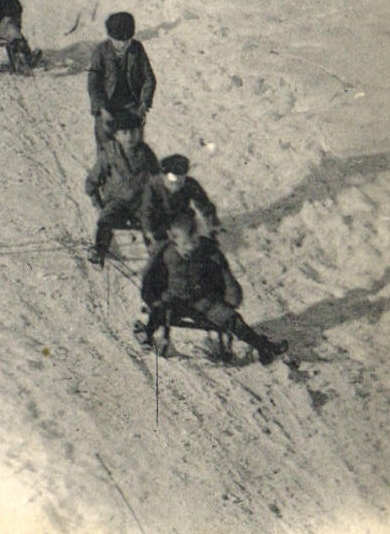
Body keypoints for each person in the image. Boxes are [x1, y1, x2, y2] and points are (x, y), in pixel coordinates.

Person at [138, 208, 288, 364]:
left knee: (232, 318)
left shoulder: (205, 251)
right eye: (185, 244)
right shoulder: (166, 255)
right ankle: (147, 335)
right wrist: (153, 299)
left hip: (201, 300)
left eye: (194, 241)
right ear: (174, 241)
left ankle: (263, 346)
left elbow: (223, 272)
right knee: (159, 311)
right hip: (174, 301)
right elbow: (151, 278)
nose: (191, 247)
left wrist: (231, 295)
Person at [85, 112, 160, 266]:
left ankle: (157, 254)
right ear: (116, 136)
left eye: (133, 131)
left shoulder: (145, 153)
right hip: (117, 200)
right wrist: (98, 203)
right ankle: (100, 249)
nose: (130, 137)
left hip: (140, 200)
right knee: (106, 219)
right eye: (124, 133)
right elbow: (93, 180)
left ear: (140, 132)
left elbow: (157, 175)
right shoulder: (110, 155)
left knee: (151, 222)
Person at [87, 12, 156, 167]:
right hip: (107, 106)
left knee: (134, 145)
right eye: (118, 41)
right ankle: (104, 177)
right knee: (106, 145)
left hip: (131, 105)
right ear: (111, 38)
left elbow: (149, 78)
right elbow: (94, 82)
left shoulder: (137, 48)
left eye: (127, 40)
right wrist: (101, 108)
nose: (123, 45)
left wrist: (144, 103)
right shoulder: (101, 51)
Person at [145, 154, 220, 246]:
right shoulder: (153, 187)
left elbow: (204, 203)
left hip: (180, 218)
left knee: (187, 240)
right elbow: (147, 211)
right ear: (163, 176)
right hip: (158, 222)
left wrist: (213, 223)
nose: (177, 185)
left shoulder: (189, 184)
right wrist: (150, 230)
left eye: (180, 182)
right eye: (172, 182)